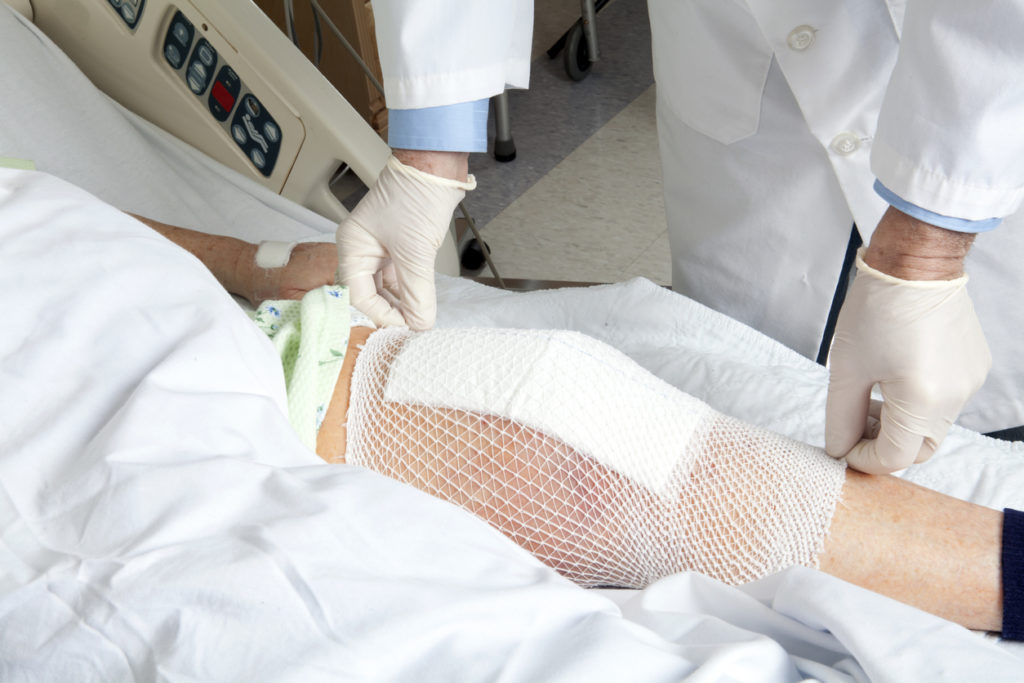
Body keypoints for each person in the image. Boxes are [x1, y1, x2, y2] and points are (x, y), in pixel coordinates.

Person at [138, 213, 1023, 641]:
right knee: (591, 474)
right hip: (210, 420)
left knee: (585, 425)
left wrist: (256, 265)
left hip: (297, 351)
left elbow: (94, 231)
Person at [336, 0, 1024, 478]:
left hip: (981, 108)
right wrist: (428, 158)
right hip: (736, 71)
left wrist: (929, 249)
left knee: (980, 461)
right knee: (746, 418)